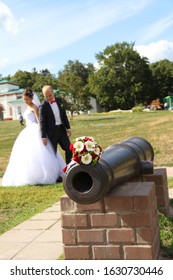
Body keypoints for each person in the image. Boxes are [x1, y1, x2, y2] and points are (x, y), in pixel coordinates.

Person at [2, 88, 65, 187]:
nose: (25, 101)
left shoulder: (35, 107)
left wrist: (40, 132)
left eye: (27, 99)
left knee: (42, 153)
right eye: (24, 99)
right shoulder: (27, 107)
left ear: (31, 98)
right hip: (27, 130)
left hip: (35, 129)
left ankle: (49, 174)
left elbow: (39, 121)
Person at [39, 85, 72, 165]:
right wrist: (43, 136)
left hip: (61, 130)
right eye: (46, 96)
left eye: (50, 95)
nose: (49, 97)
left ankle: (69, 168)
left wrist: (68, 127)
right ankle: (55, 173)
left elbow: (63, 115)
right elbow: (42, 122)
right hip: (51, 133)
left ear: (53, 92)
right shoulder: (43, 106)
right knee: (53, 154)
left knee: (69, 149)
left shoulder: (59, 101)